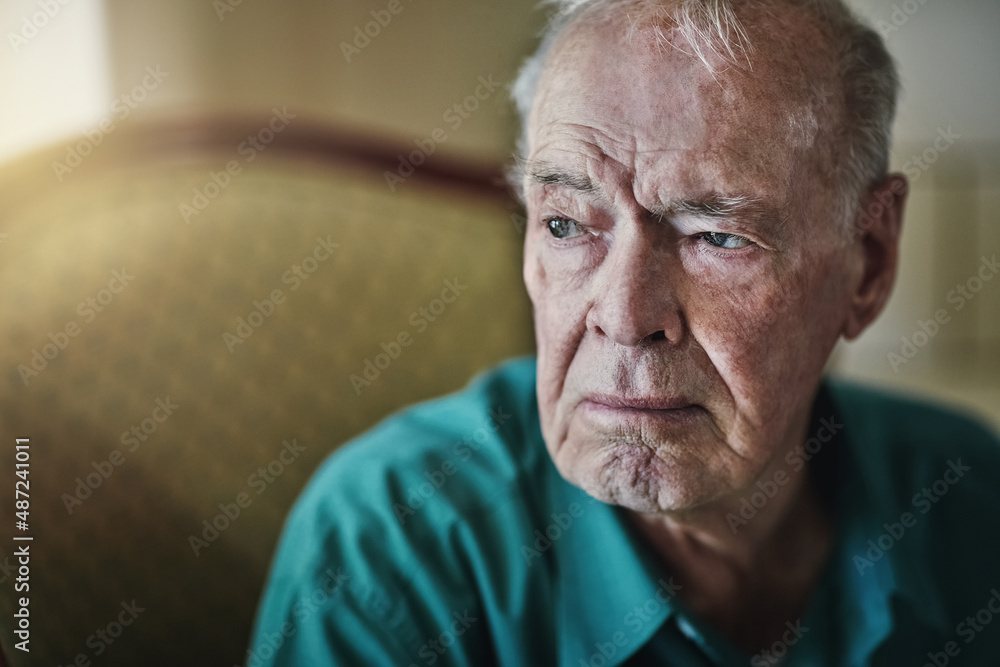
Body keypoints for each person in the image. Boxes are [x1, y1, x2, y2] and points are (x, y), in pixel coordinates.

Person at [248, 0, 1000, 664]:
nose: (625, 317)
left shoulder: (969, 497)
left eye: (716, 235)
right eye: (568, 224)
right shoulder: (390, 548)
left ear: (867, 262)